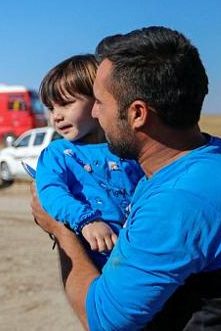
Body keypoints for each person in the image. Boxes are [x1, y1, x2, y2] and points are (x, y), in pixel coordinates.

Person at [30, 26, 221, 330]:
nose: (96, 113)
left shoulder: (177, 204)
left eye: (100, 101)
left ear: (138, 113)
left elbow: (103, 320)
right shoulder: (215, 157)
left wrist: (62, 231)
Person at [35, 54, 143, 269]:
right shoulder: (57, 153)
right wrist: (87, 221)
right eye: (51, 108)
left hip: (139, 255)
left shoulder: (127, 147)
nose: (56, 116)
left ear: (98, 100)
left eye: (65, 104)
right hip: (96, 262)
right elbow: (50, 191)